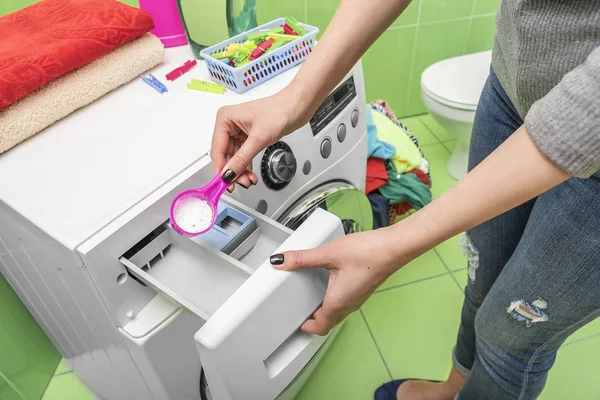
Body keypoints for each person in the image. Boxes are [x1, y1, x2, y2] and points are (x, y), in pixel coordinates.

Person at [210, 1, 600, 398]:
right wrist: (294, 101)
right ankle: (454, 387)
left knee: (510, 333)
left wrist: (392, 245)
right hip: (515, 86)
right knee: (481, 271)